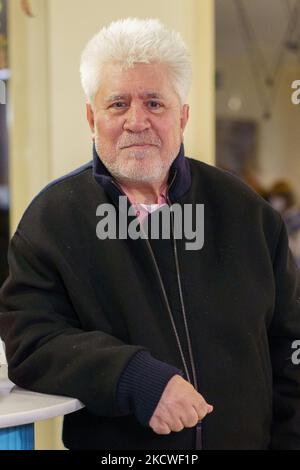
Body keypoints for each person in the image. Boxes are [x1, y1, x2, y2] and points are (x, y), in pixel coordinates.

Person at [0, 18, 300, 451]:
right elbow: (31, 341)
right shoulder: (53, 219)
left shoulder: (247, 212)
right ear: (91, 117)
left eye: (154, 103)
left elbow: (289, 350)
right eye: (117, 104)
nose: (136, 121)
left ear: (183, 116)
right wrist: (132, 376)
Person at [268, 180, 300, 270]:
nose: (273, 201)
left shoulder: (296, 218)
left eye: (276, 197)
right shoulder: (281, 217)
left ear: (286, 198)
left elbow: (296, 249)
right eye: (272, 197)